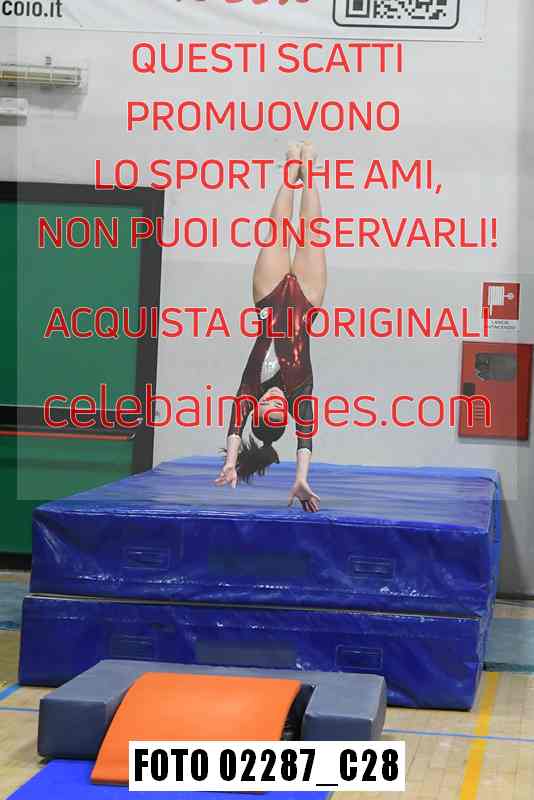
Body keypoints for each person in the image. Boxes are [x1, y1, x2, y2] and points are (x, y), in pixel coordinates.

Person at [215, 142, 327, 513]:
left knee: (277, 228)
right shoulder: (301, 393)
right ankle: (309, 166)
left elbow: (234, 428)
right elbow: (305, 440)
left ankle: (292, 164)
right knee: (311, 229)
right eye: (281, 409)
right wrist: (301, 478)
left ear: (258, 409)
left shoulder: (249, 388)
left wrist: (231, 462)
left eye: (268, 408)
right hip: (308, 300)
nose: (276, 401)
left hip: (267, 296)